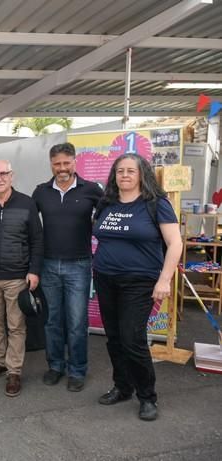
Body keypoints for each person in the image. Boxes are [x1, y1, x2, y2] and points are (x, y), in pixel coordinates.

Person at [92, 153, 181, 421]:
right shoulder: (106, 203)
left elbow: (176, 244)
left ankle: (147, 397)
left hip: (140, 282)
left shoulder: (156, 204)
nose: (125, 176)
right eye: (120, 171)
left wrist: (164, 280)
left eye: (131, 171)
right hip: (106, 278)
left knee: (133, 339)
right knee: (116, 338)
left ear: (142, 174)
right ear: (114, 175)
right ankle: (122, 387)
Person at [32, 143, 103, 392]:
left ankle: (77, 370)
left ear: (75, 162)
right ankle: (55, 366)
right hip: (48, 265)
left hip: (79, 265)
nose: (61, 168)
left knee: (76, 322)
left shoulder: (92, 190)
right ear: (51, 164)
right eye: (56, 164)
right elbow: (30, 225)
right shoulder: (41, 192)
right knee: (52, 321)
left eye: (66, 163)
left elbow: (108, 220)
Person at [0, 160, 43, 398]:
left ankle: (14, 371)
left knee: (15, 325)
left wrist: (34, 270)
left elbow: (37, 240)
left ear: (12, 175)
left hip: (17, 277)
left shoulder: (26, 203)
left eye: (3, 174)